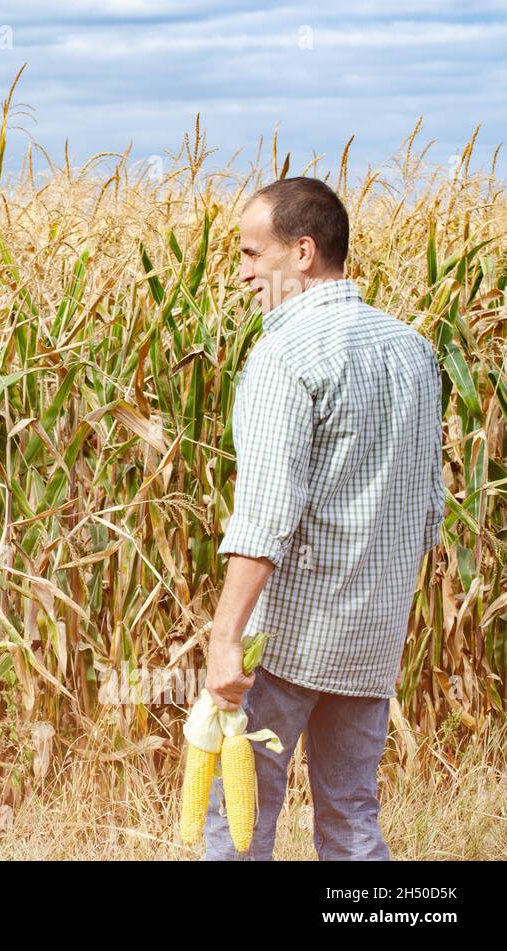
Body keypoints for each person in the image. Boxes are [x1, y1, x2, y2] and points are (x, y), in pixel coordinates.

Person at [202, 177, 445, 860]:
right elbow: (429, 508)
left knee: (240, 826)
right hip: (371, 637)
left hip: (286, 643)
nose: (242, 273)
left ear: (303, 252)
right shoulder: (412, 349)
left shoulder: (286, 353)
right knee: (351, 822)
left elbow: (264, 516)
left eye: (253, 254)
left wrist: (226, 639)